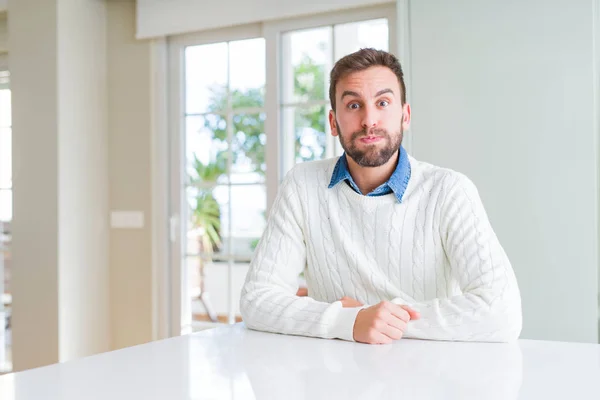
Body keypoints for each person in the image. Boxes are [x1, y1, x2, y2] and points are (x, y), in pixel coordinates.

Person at [240, 48, 522, 344]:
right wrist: (347, 321)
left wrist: (370, 318)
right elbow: (257, 300)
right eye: (353, 105)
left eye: (383, 102)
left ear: (405, 115)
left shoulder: (449, 191)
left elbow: (502, 312)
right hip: (331, 379)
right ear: (334, 122)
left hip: (428, 381)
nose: (369, 119)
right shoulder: (301, 185)